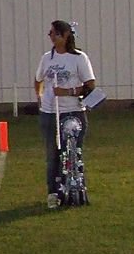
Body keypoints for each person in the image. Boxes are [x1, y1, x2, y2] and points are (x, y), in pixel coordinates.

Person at [34, 20, 96, 209]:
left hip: (73, 113)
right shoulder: (47, 58)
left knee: (71, 153)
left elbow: (90, 86)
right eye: (50, 33)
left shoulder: (79, 58)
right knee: (52, 155)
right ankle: (53, 193)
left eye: (54, 33)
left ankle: (75, 191)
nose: (51, 36)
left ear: (65, 35)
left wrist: (68, 92)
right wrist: (41, 97)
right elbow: (38, 80)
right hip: (50, 113)